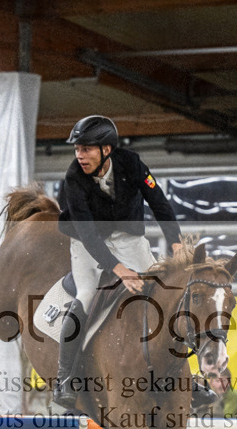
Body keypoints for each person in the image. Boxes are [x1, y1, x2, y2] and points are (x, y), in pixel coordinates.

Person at [52, 115, 185, 409]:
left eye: (86, 149)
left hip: (128, 238)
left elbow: (159, 202)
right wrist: (119, 270)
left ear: (106, 149)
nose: (79, 155)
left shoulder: (132, 163)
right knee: (86, 295)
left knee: (162, 291)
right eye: (77, 149)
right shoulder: (74, 178)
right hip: (86, 241)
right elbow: (88, 234)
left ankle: (186, 373)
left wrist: (175, 241)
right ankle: (65, 377)